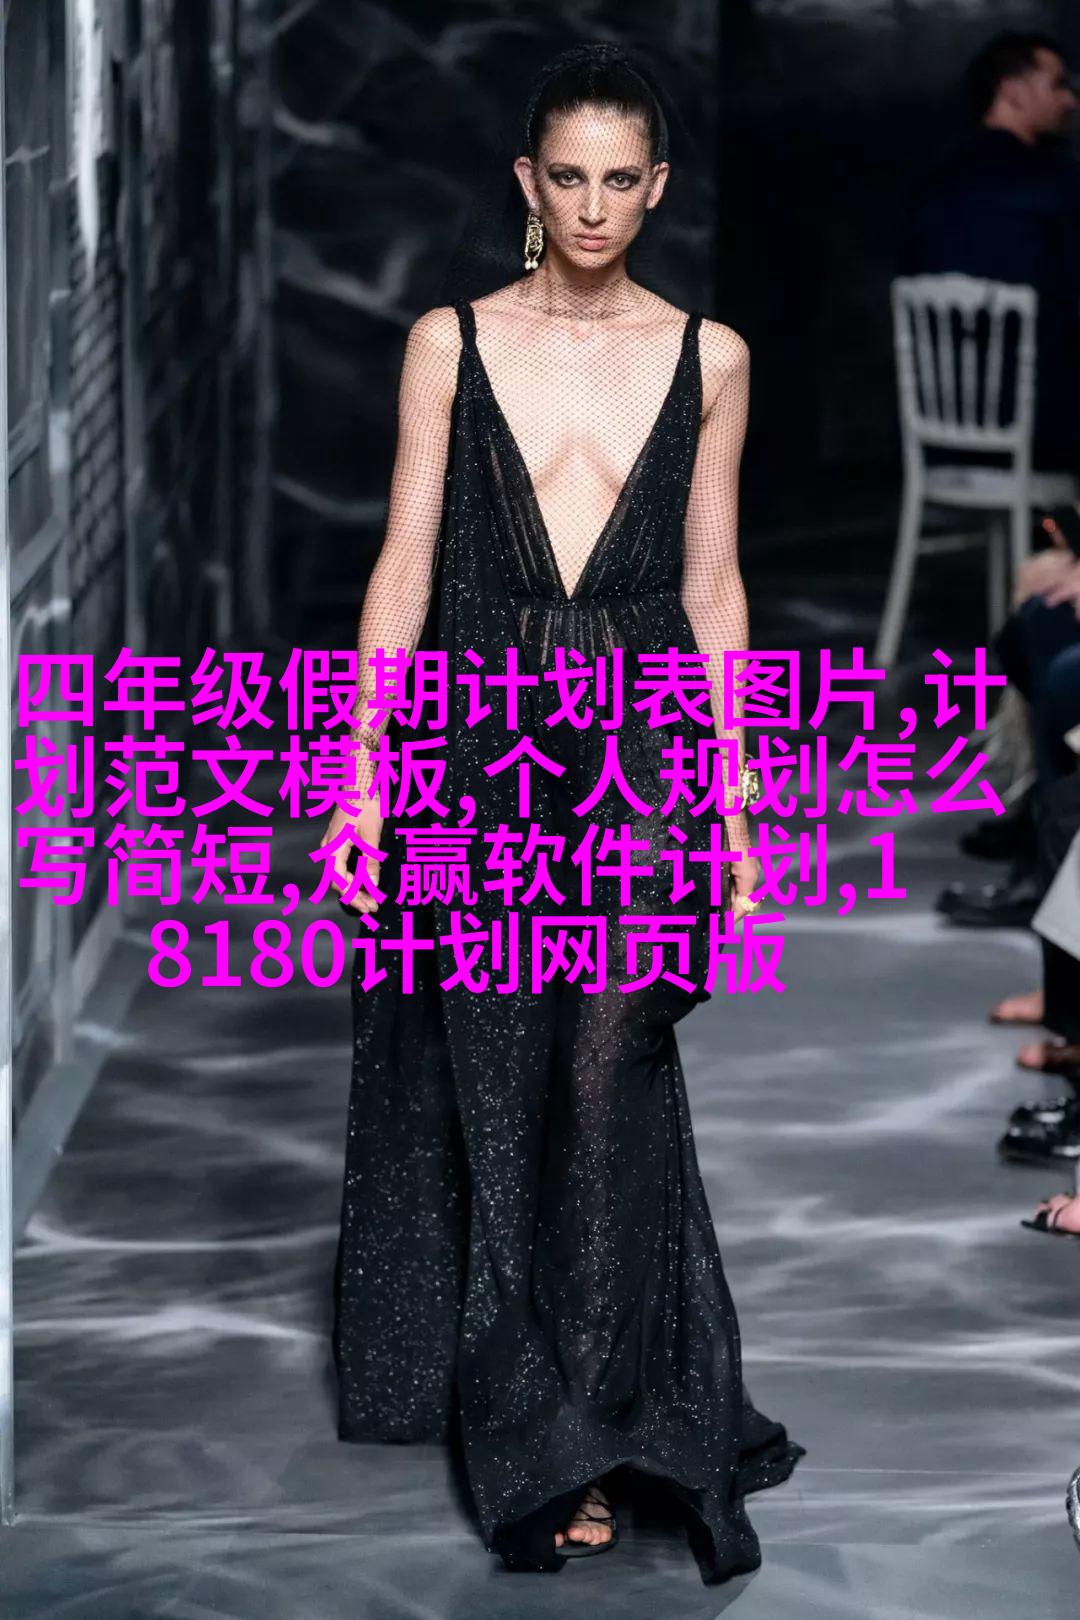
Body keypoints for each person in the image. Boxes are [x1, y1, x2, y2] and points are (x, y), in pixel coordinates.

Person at [321, 43, 803, 1584]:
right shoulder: (450, 343)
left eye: (621, 179)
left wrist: (741, 807)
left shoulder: (707, 356)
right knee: (502, 1083)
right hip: (476, 747)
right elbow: (405, 567)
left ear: (654, 188)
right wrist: (358, 776)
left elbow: (714, 591)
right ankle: (546, 1404)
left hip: (647, 754)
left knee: (608, 1069)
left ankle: (580, 1435)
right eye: (569, 176)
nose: (594, 206)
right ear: (529, 182)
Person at [904, 29, 1080, 473]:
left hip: (943, 430)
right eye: (1058, 84)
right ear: (1013, 90)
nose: (1070, 100)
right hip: (1043, 433)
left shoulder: (935, 180)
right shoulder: (1055, 182)